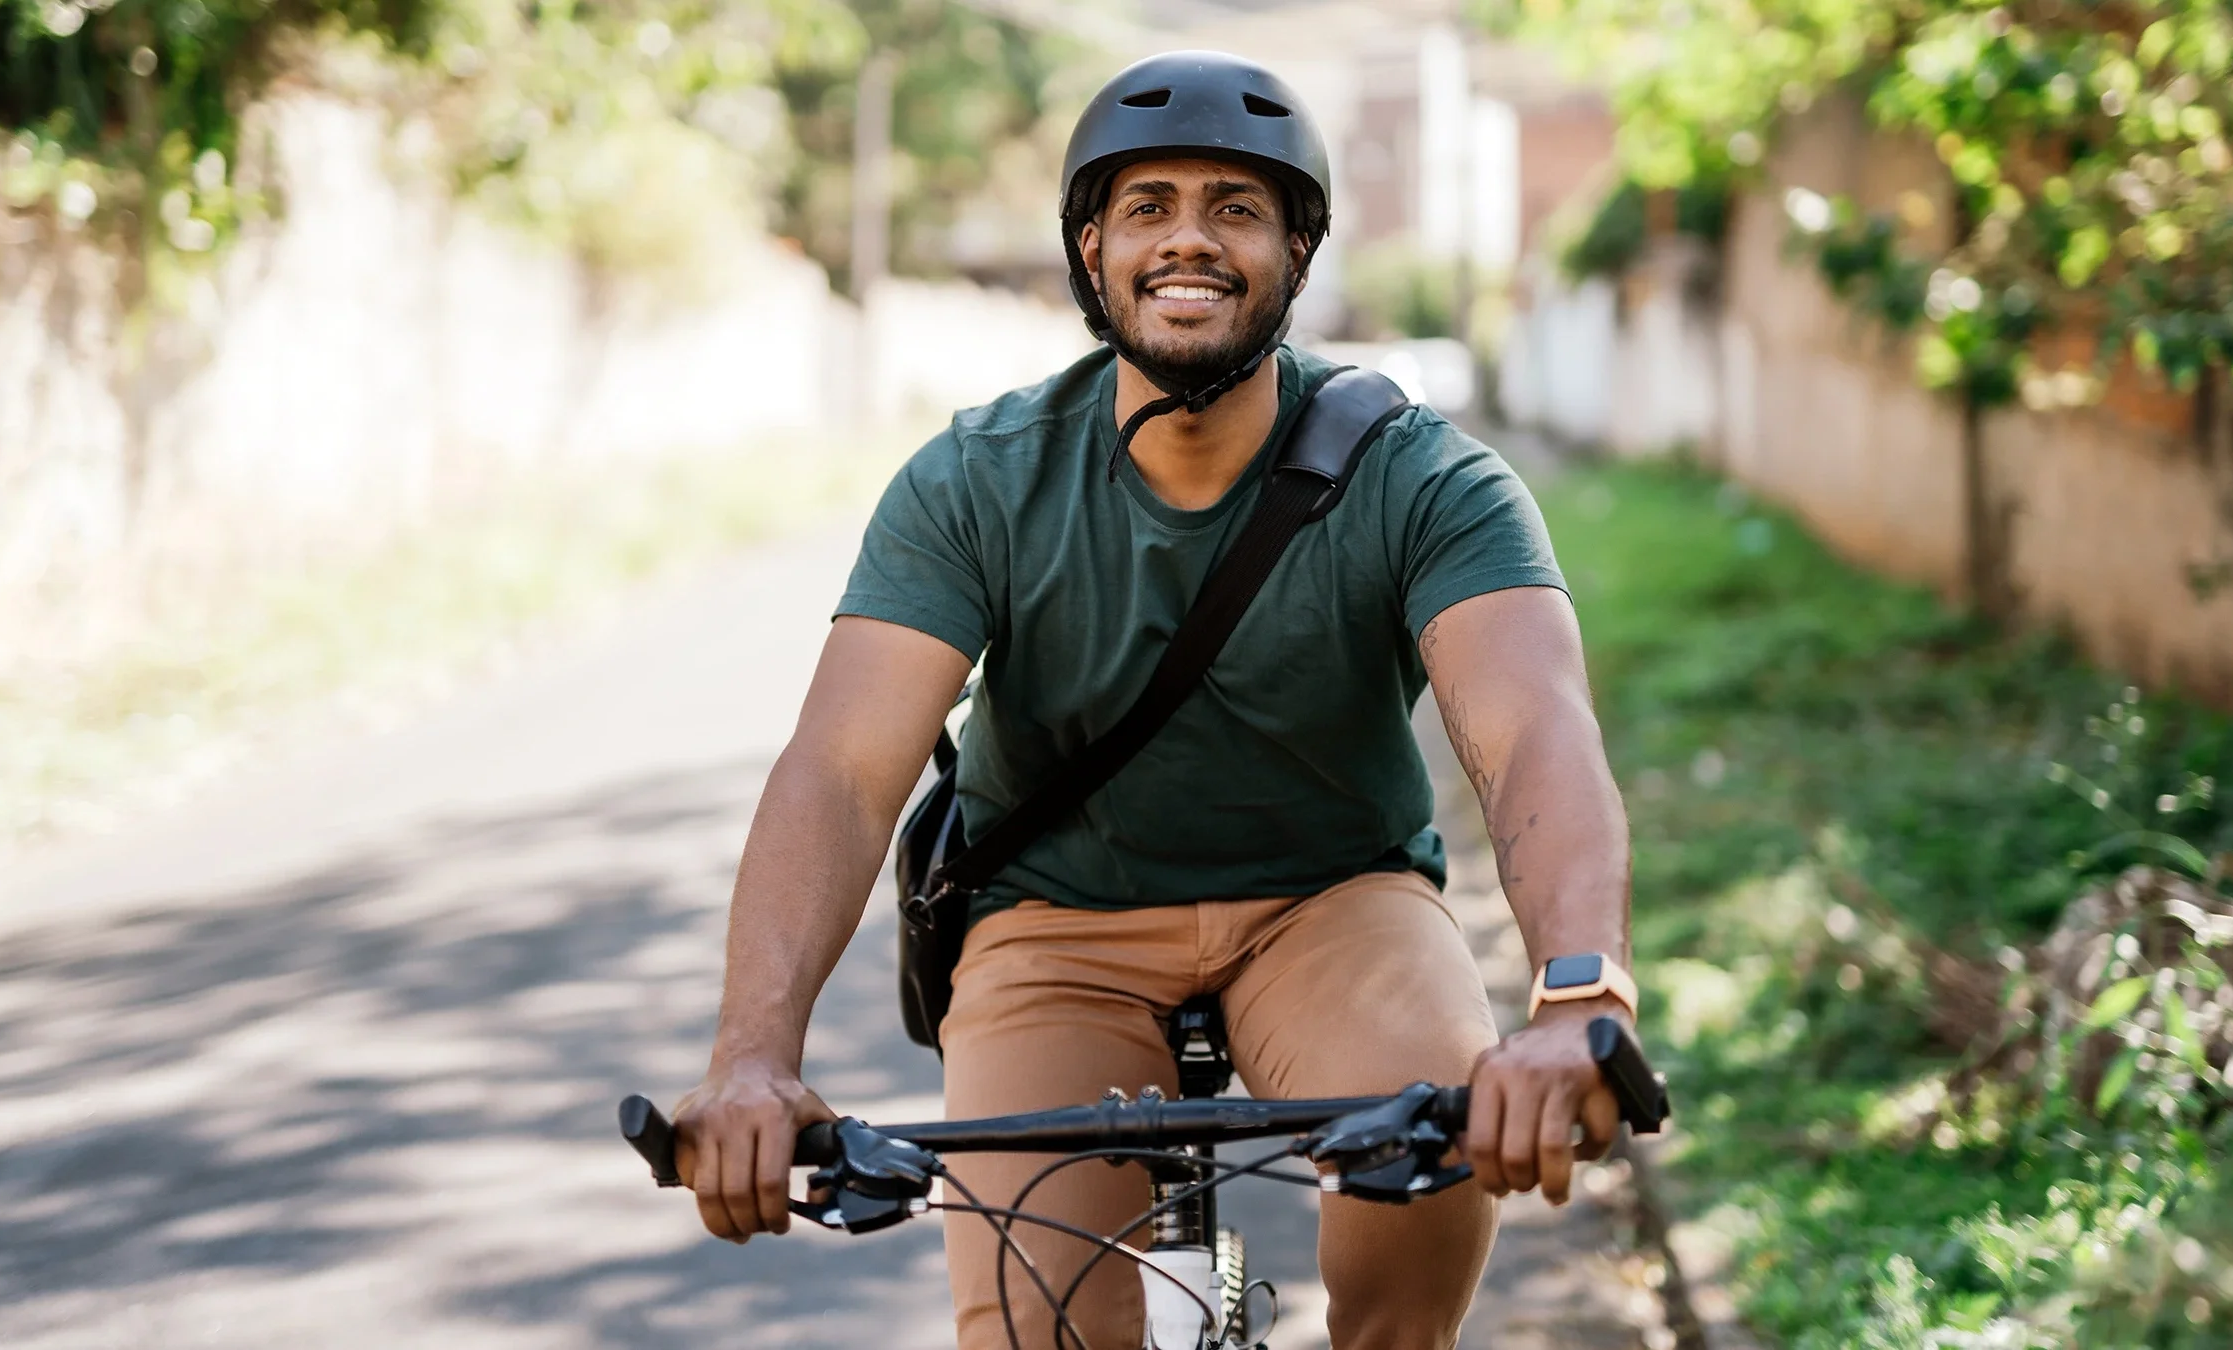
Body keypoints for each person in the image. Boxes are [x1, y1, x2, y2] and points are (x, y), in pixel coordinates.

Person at [670, 50, 1635, 1350]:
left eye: (1237, 206)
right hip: (1055, 924)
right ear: (1091, 249)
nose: (1191, 237)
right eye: (1149, 206)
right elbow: (843, 770)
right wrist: (752, 1053)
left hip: (1335, 897)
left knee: (1436, 1162)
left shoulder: (1427, 479)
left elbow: (1532, 735)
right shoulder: (978, 479)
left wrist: (1578, 1000)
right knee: (1033, 1321)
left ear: (1298, 250)